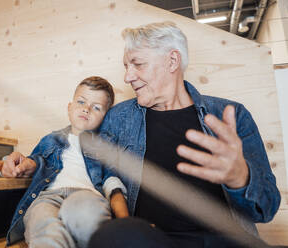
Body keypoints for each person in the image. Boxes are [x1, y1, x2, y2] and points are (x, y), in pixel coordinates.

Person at [87, 22, 281, 248]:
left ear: (172, 61)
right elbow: (97, 177)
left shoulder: (231, 115)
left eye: (137, 64)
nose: (127, 77)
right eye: (126, 66)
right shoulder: (117, 119)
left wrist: (241, 178)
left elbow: (267, 209)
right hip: (152, 242)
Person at [0, 76, 129, 248]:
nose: (86, 109)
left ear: (105, 116)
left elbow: (112, 183)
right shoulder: (51, 139)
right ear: (69, 108)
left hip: (86, 195)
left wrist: (126, 223)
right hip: (48, 197)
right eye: (81, 102)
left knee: (87, 216)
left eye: (96, 107)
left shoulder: (105, 145)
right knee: (44, 224)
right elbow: (27, 164)